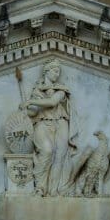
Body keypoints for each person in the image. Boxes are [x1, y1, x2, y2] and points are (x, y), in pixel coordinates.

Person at [25, 59, 76, 196]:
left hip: (60, 122)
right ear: (46, 71)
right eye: (54, 70)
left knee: (60, 156)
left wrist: (30, 101)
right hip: (42, 122)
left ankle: (54, 190)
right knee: (47, 151)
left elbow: (52, 102)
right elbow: (34, 112)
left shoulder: (61, 89)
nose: (57, 74)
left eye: (58, 71)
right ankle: (40, 188)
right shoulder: (36, 90)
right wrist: (25, 110)